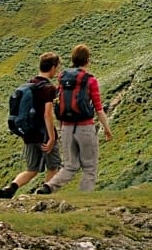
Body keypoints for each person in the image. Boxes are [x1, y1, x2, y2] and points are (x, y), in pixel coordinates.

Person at [37, 44, 113, 194]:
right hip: (85, 127)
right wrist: (107, 129)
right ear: (88, 60)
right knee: (89, 167)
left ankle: (48, 186)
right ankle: (84, 199)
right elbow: (98, 108)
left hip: (66, 127)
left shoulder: (62, 77)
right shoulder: (90, 80)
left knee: (70, 165)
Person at [0, 52, 62, 198]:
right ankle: (44, 195)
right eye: (57, 67)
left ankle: (11, 187)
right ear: (53, 67)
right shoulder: (48, 88)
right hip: (44, 134)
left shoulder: (29, 84)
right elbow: (47, 114)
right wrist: (51, 137)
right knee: (54, 166)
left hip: (29, 134)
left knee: (32, 169)